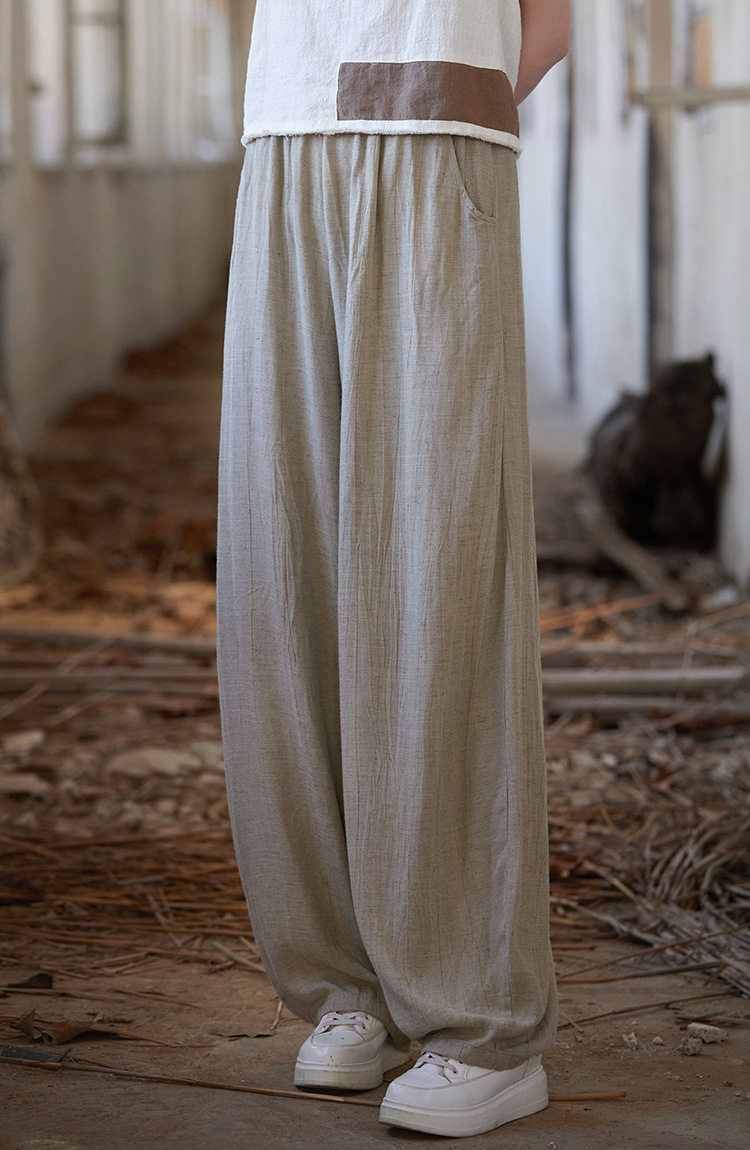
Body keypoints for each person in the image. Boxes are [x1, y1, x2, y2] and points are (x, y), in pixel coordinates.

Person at [217, 0, 571, 1138]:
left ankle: (480, 1020)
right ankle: (346, 985)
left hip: (435, 137)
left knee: (437, 571)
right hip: (283, 140)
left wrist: (450, 97)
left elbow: (553, 23)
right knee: (284, 565)